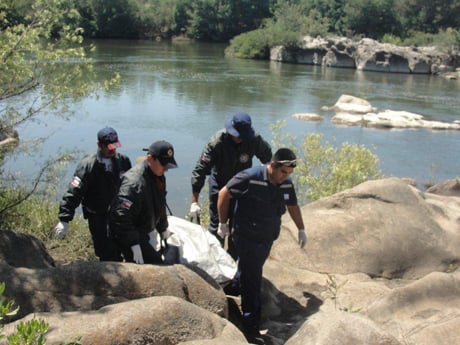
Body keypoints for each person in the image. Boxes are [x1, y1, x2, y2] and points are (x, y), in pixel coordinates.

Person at [217, 148, 307, 345]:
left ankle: (233, 286)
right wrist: (223, 223)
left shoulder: (285, 184)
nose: (286, 177)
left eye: (289, 173)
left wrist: (301, 228)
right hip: (246, 236)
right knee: (253, 280)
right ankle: (251, 330)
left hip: (266, 237)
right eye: (283, 172)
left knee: (250, 270)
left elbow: (292, 205)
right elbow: (224, 194)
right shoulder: (250, 177)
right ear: (272, 166)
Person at [190, 112, 272, 258]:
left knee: (238, 227)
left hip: (242, 186)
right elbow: (200, 169)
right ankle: (215, 259)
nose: (240, 138)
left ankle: (233, 262)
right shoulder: (217, 142)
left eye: (243, 136)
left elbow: (268, 159)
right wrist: (194, 202)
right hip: (219, 183)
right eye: (237, 135)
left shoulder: (254, 140)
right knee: (216, 226)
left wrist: (265, 181)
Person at [53, 126, 132, 262]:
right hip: (98, 216)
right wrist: (64, 219)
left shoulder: (123, 161)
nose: (112, 150)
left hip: (119, 214)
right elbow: (74, 193)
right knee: (106, 253)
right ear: (99, 145)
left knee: (126, 247)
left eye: (115, 146)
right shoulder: (88, 165)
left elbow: (131, 187)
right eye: (109, 147)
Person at [108, 140, 177, 265]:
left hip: (140, 229)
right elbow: (120, 216)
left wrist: (162, 228)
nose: (166, 169)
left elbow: (160, 204)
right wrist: (133, 243)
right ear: (150, 159)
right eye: (163, 165)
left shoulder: (158, 176)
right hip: (125, 232)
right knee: (154, 265)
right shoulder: (134, 183)